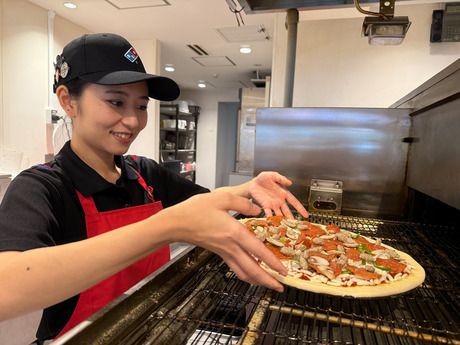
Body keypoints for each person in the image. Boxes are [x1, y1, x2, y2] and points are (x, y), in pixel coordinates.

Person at [0, 33, 308, 342]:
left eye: (142, 106)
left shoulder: (143, 173)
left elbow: (203, 206)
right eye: (116, 102)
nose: (133, 121)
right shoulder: (41, 187)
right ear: (68, 100)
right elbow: (7, 288)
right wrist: (165, 227)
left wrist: (247, 189)